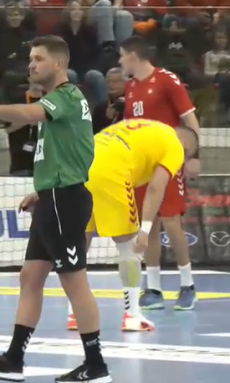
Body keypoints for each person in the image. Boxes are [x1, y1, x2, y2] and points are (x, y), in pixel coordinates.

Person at [0, 35, 110, 383]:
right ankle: (13, 359)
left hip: (65, 200)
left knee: (74, 280)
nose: (31, 64)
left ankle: (96, 364)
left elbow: (29, 113)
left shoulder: (66, 97)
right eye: (30, 58)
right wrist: (41, 191)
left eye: (38, 58)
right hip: (52, 197)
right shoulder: (61, 102)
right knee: (31, 276)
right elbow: (65, 153)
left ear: (58, 64)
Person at [79, 118, 200, 332]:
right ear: (186, 147)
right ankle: (132, 315)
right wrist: (144, 230)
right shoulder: (175, 146)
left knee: (79, 243)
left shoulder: (148, 127)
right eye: (186, 158)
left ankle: (75, 313)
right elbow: (155, 188)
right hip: (112, 170)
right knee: (129, 248)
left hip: (82, 158)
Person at [116, 36, 201, 314]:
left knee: (171, 221)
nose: (119, 61)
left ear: (133, 56)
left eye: (122, 56)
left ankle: (187, 285)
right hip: (141, 164)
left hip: (168, 159)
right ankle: (153, 289)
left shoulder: (167, 80)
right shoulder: (131, 86)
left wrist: (194, 155)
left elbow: (190, 119)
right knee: (147, 224)